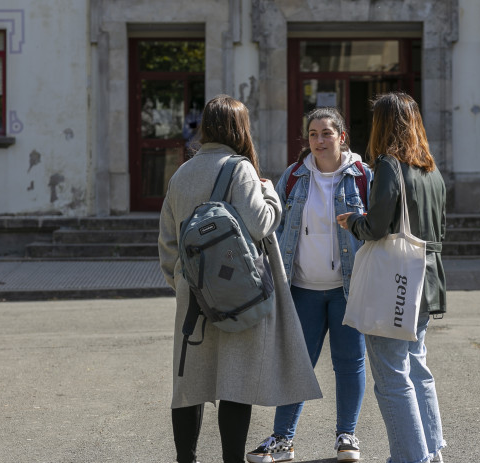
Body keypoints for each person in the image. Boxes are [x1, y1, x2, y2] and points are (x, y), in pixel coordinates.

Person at [158, 95, 322, 463]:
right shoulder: (240, 169)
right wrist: (269, 193)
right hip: (239, 293)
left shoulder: (182, 173)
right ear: (239, 128)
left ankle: (188, 459)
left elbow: (167, 243)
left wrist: (186, 284)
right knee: (235, 382)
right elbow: (261, 223)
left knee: (190, 386)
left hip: (194, 297)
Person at [246, 107, 372, 463]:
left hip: (349, 289)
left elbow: (378, 227)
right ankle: (283, 440)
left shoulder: (363, 176)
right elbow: (274, 222)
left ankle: (347, 436)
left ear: (342, 137)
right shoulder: (294, 176)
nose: (319, 140)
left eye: (326, 133)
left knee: (350, 363)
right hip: (302, 288)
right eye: (313, 134)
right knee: (296, 365)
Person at [336, 92, 447, 463]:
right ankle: (432, 453)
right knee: (418, 369)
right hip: (427, 281)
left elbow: (377, 226)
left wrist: (352, 220)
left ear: (383, 124)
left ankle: (410, 457)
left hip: (395, 284)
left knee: (392, 377)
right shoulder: (431, 170)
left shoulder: (389, 165)